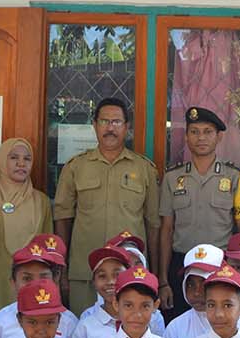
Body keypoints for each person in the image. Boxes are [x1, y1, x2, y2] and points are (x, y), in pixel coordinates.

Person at [54, 98, 161, 313]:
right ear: (94, 125)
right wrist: (62, 271)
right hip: (85, 274)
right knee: (84, 334)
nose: (110, 128)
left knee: (130, 330)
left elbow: (153, 224)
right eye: (104, 121)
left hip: (130, 273)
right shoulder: (76, 167)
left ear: (127, 127)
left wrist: (156, 273)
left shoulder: (144, 169)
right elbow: (62, 219)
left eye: (116, 122)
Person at [156, 107, 240, 316]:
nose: (201, 137)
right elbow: (166, 230)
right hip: (181, 266)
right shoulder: (172, 178)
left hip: (220, 265)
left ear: (219, 137)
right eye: (194, 131)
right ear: (186, 137)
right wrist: (163, 280)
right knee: (179, 325)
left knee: (219, 322)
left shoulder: (235, 177)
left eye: (208, 132)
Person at [0, 138, 53, 314]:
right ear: (2, 160)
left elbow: (48, 248)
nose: (21, 163)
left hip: (33, 285)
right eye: (14, 158)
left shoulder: (41, 201)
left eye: (27, 159)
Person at [67, 242, 167, 338]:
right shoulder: (86, 327)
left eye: (117, 274)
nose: (110, 282)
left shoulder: (151, 318)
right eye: (102, 276)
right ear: (93, 282)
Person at [161, 244, 224, 338]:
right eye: (190, 285)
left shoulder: (239, 324)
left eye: (204, 284)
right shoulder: (175, 328)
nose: (196, 293)